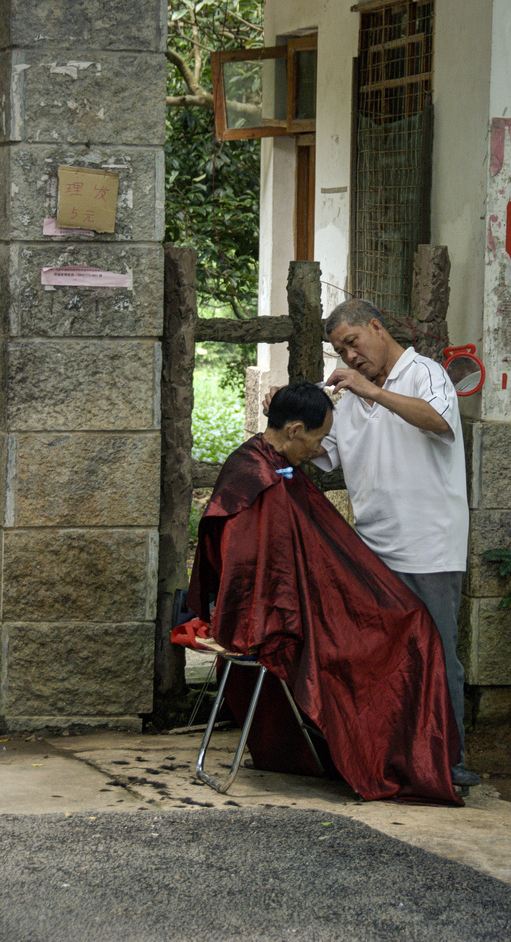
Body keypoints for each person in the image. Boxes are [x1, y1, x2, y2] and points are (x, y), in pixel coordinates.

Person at [187, 381, 462, 805]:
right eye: (317, 440)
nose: (319, 451)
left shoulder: (261, 465)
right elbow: (267, 581)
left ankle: (405, 756)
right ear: (295, 430)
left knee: (409, 620)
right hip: (276, 621)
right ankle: (395, 760)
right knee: (410, 632)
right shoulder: (262, 481)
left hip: (288, 607)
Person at [289, 299, 478, 789]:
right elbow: (317, 454)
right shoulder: (349, 401)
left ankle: (449, 759)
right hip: (371, 550)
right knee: (379, 655)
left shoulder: (426, 374)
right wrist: (288, 423)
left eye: (353, 342)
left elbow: (439, 420)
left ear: (377, 327)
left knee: (438, 653)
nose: (349, 356)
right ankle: (391, 755)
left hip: (430, 545)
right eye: (340, 350)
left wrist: (374, 390)